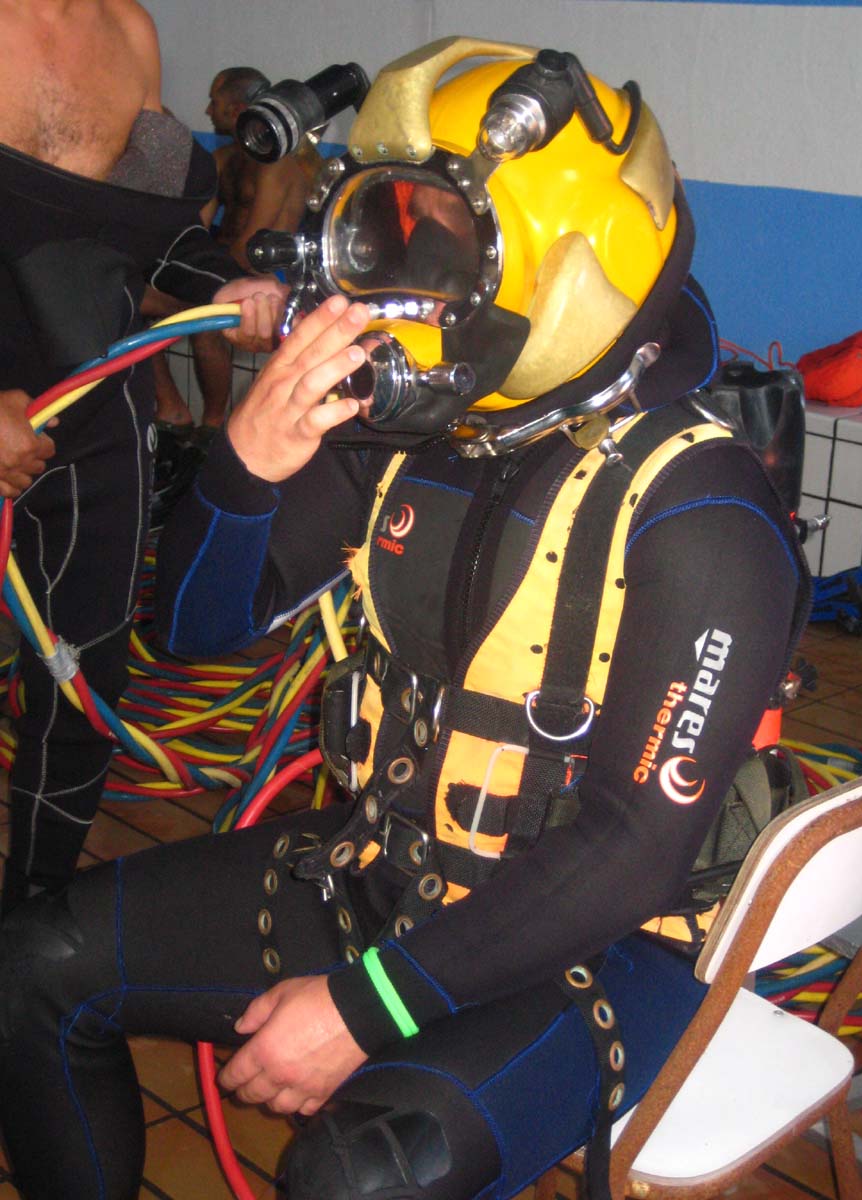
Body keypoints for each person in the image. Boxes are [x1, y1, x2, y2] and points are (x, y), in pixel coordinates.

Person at [0, 37, 811, 1200]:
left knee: (360, 1173)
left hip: (602, 947)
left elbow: (632, 851)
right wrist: (242, 468)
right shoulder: (410, 435)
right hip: (388, 867)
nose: (385, 301)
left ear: (565, 270)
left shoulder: (705, 511)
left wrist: (361, 1009)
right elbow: (191, 631)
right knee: (30, 965)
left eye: (434, 256)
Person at [0, 0, 286, 916]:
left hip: (97, 405)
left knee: (83, 677)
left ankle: (30, 921)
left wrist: (228, 283)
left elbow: (148, 236)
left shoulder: (129, 31)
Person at [150, 66, 319, 441]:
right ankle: (174, 412)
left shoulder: (277, 165)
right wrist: (194, 279)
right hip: (222, 271)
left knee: (208, 324)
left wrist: (211, 287)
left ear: (237, 108)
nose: (208, 110)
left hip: (265, 279)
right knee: (131, 302)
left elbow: (252, 246)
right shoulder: (222, 160)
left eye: (214, 101)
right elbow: (192, 234)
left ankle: (212, 428)